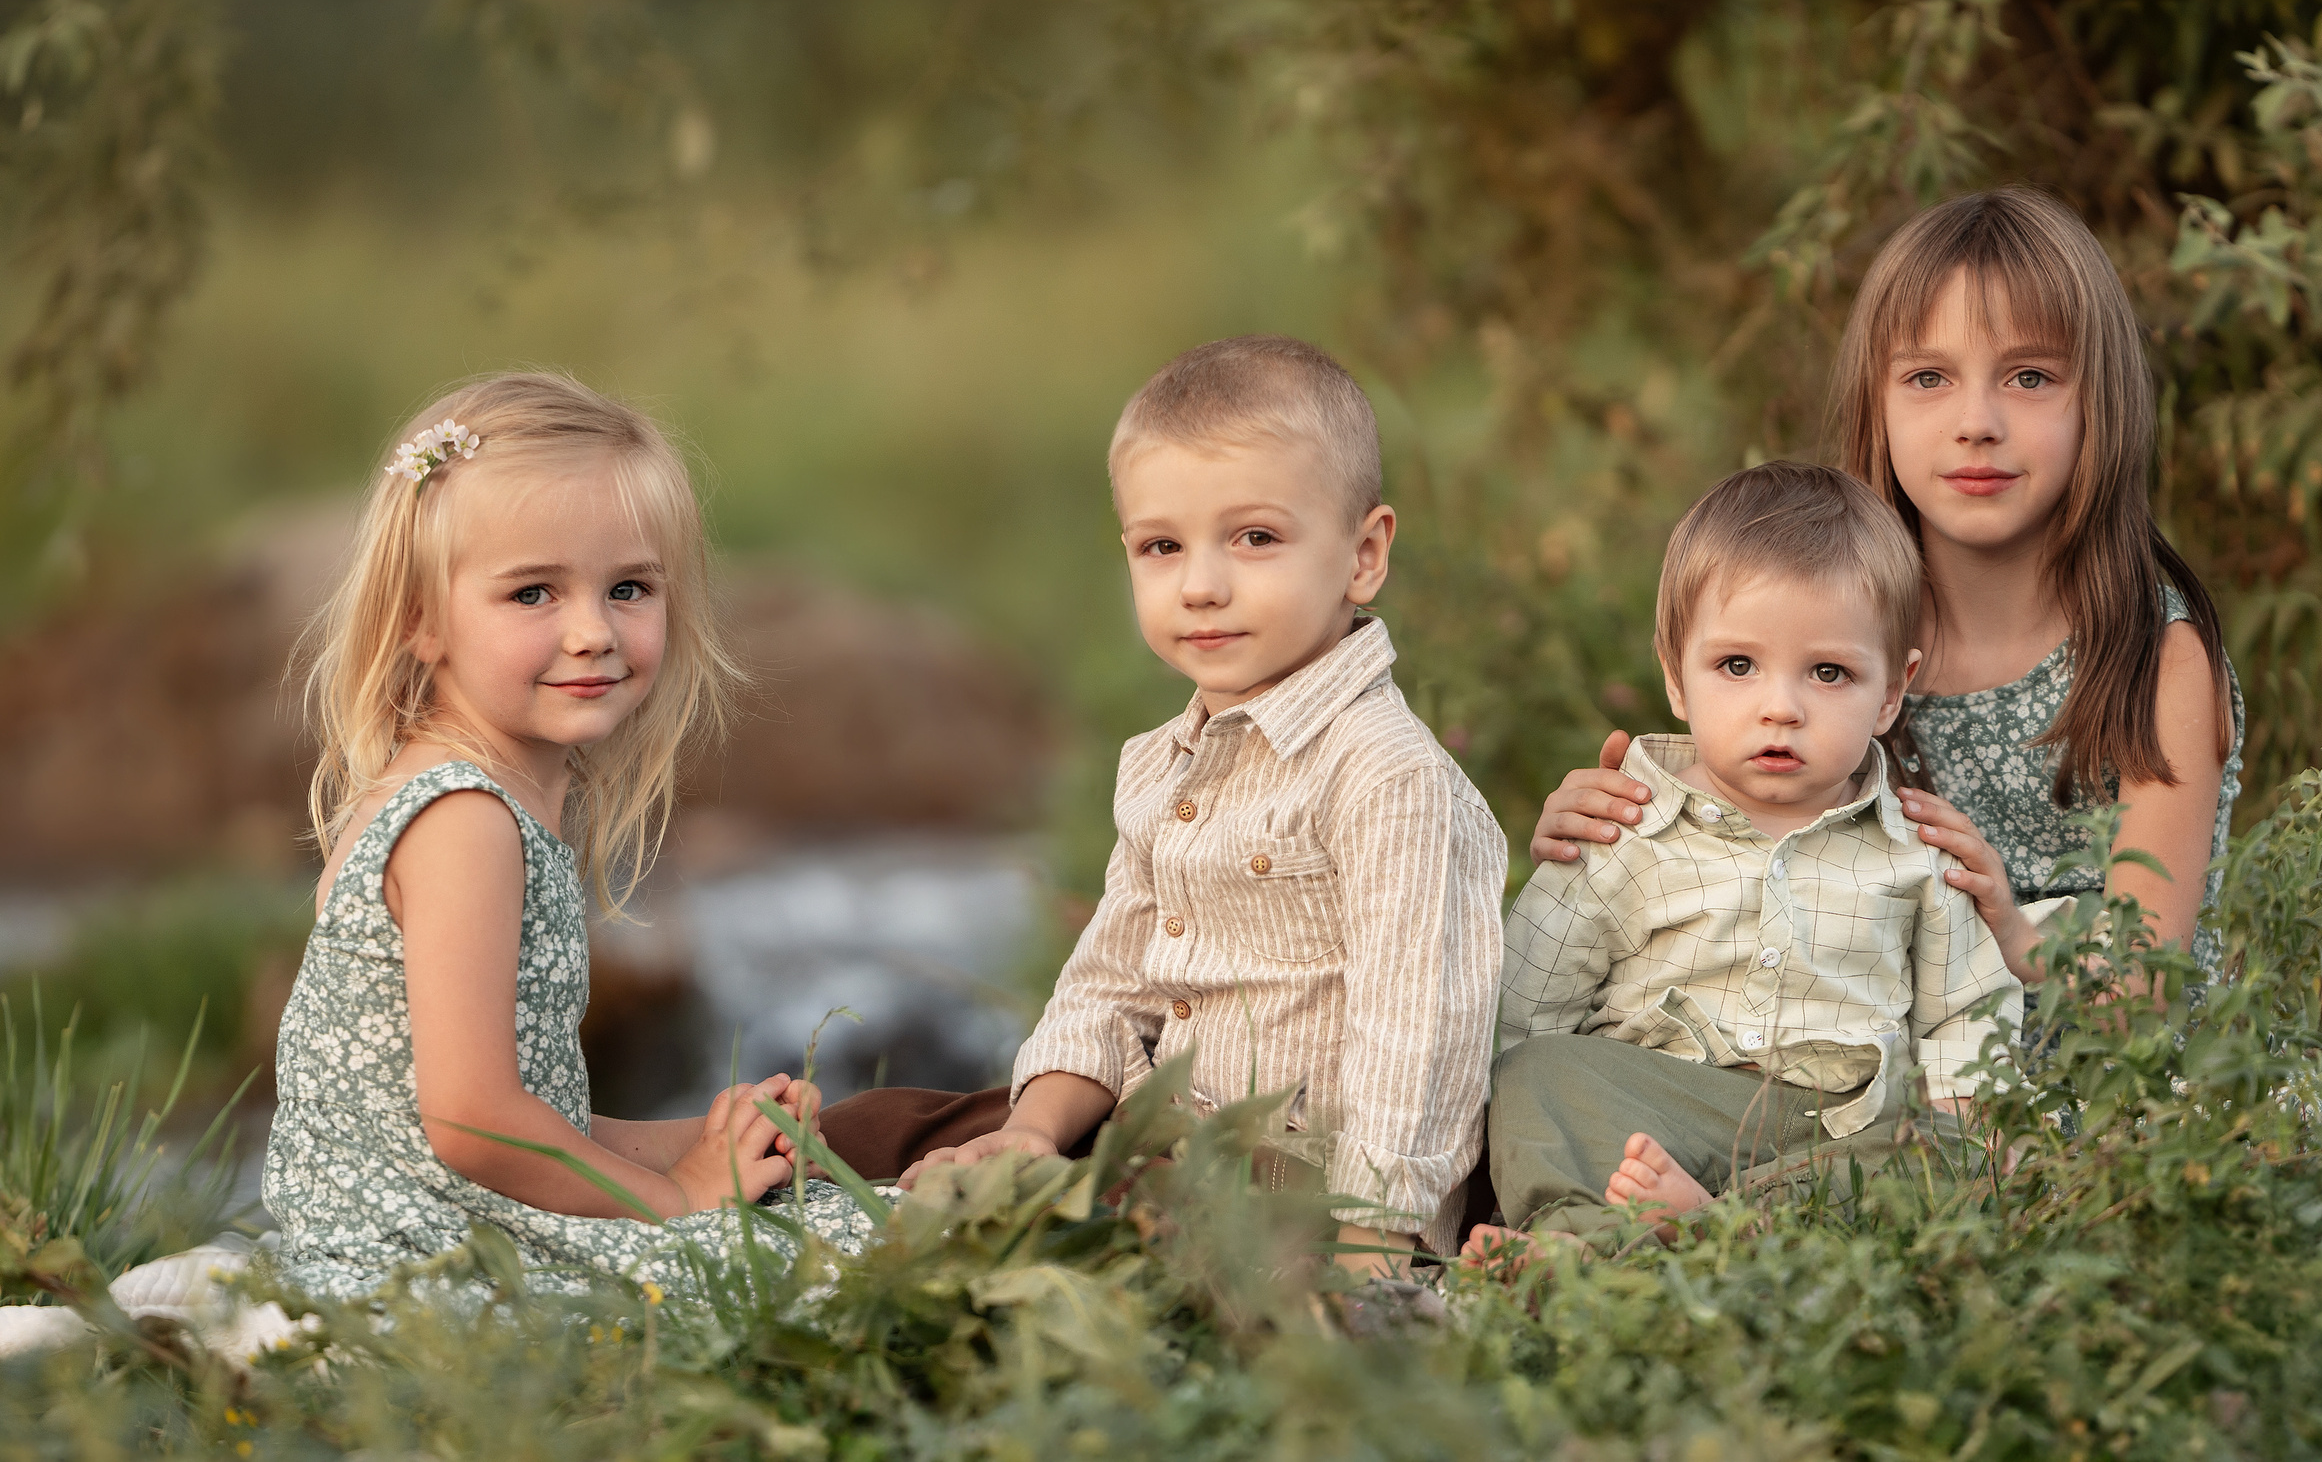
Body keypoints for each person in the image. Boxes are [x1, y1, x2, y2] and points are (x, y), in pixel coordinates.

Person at [817, 336, 1506, 1273]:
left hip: (1298, 1181)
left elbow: (1418, 1037)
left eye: (1255, 537)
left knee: (1014, 1217)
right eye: (1161, 546)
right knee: (882, 1126)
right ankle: (674, 1157)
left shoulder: (1386, 775)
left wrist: (1369, 1242)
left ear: (1364, 553)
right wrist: (1032, 1128)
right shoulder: (1162, 764)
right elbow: (1110, 979)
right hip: (1168, 1132)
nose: (1201, 584)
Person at [1533, 188, 2244, 987]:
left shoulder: (2157, 654)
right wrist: (1620, 831)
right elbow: (1752, 840)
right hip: (1866, 1072)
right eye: (1930, 377)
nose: (1977, 420)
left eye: (2031, 376)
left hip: (2112, 1088)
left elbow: (2140, 987)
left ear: (2099, 400)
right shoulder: (1830, 626)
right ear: (1878, 399)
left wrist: (2008, 932)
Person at [262, 371, 873, 1300]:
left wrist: (701, 1145)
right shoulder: (463, 819)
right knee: (860, 1249)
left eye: (628, 587)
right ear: (421, 618)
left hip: (449, 1215)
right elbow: (472, 1122)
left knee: (847, 1192)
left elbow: (537, 1117)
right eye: (534, 594)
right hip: (420, 1257)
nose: (592, 630)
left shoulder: (486, 797)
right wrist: (675, 1201)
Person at [1466, 463, 2020, 1261]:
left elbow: (1965, 1014)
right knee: (1536, 1070)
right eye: (1737, 666)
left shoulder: (1919, 854)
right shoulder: (1620, 829)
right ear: (1675, 674)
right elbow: (1525, 1006)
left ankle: (1721, 1229)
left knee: (1949, 1151)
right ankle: (1578, 1242)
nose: (1781, 707)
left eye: (1829, 673)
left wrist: (1972, 1124)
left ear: (1892, 692)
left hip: (1829, 1135)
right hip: (1656, 1113)